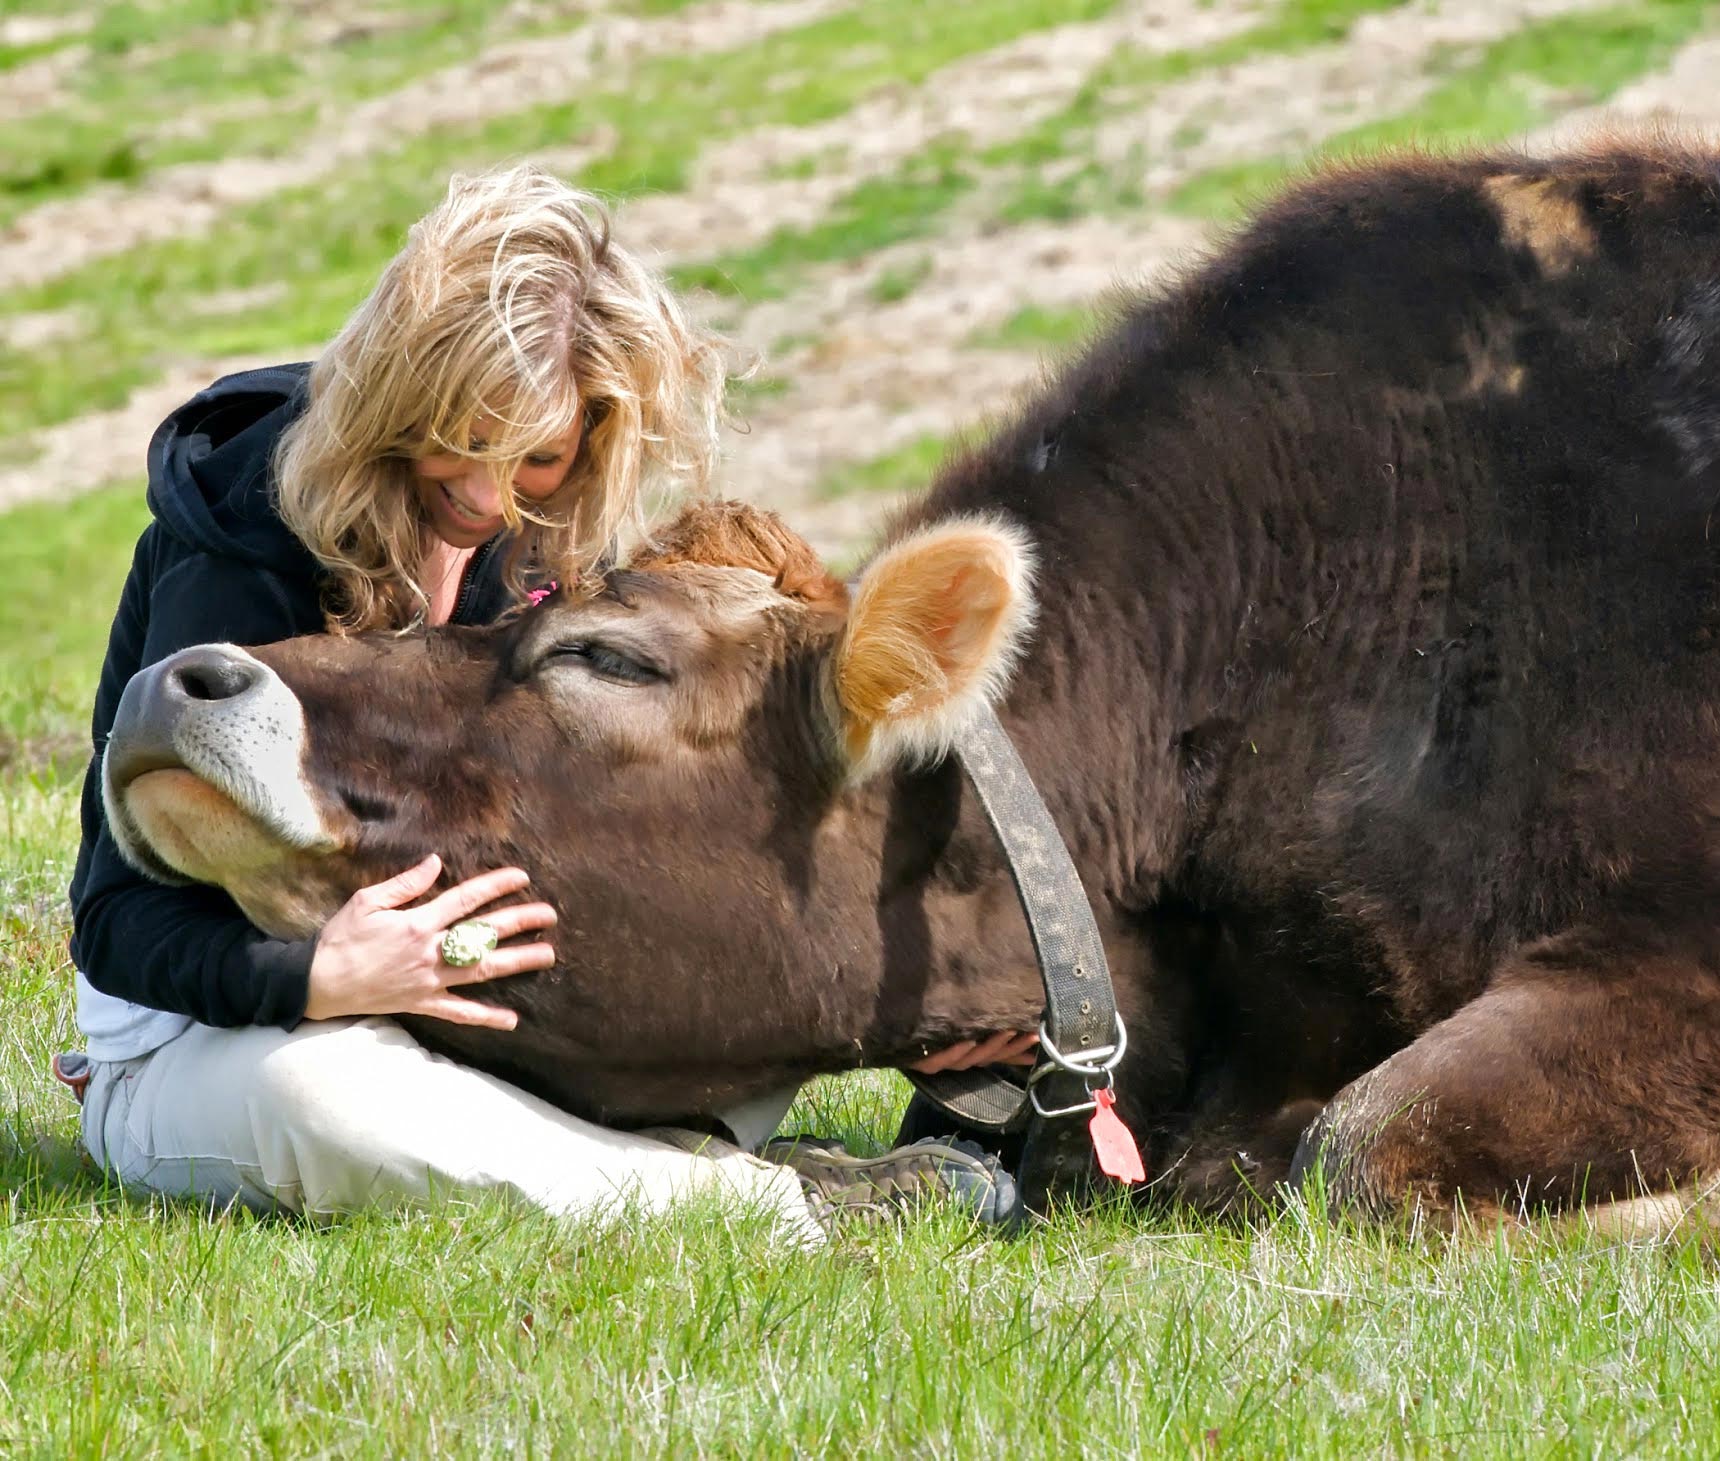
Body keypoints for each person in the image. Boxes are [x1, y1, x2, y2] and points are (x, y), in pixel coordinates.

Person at [60, 165, 1032, 1245]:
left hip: (484, 1020)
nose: (484, 496)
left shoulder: (553, 542)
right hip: (227, 1033)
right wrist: (320, 976)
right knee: (326, 1104)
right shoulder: (242, 540)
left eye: (534, 456)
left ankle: (632, 1155)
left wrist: (904, 1014)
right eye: (455, 438)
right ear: (397, 397)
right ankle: (770, 1206)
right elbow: (116, 924)